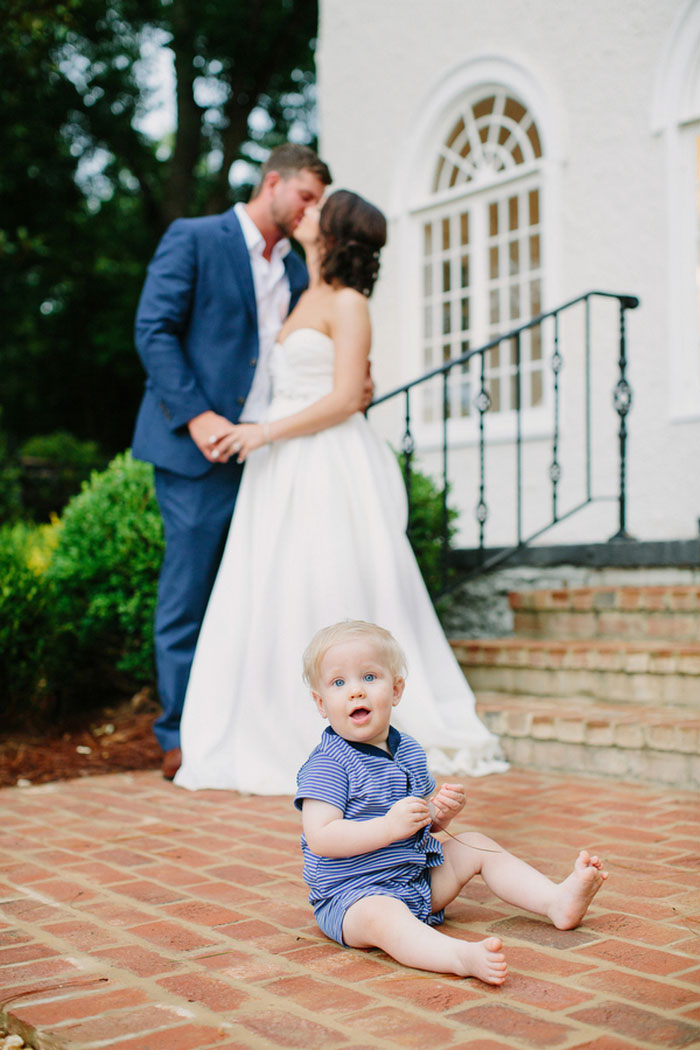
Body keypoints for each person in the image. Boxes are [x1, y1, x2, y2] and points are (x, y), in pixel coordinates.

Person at [174, 189, 507, 795]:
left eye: (320, 209)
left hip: (322, 458)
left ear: (335, 232)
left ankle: (356, 720)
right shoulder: (305, 292)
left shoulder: (351, 302)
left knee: (326, 578)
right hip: (278, 466)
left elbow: (348, 396)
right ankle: (280, 709)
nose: (308, 211)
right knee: (273, 583)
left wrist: (264, 433)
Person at [132, 144, 332, 779]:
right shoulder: (194, 238)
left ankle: (242, 723)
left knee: (254, 596)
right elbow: (154, 330)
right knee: (188, 594)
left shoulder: (297, 272)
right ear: (273, 183)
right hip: (200, 449)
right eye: (305, 197)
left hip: (273, 456)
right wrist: (199, 417)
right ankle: (179, 734)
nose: (311, 212)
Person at [295, 620, 608, 983]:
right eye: (339, 683)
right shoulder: (328, 765)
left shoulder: (408, 750)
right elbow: (321, 836)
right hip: (353, 897)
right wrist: (387, 826)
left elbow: (415, 827)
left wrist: (437, 817)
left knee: (475, 844)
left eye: (369, 677)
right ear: (321, 703)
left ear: (396, 690)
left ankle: (555, 901)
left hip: (415, 881)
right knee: (384, 918)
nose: (355, 693)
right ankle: (457, 956)